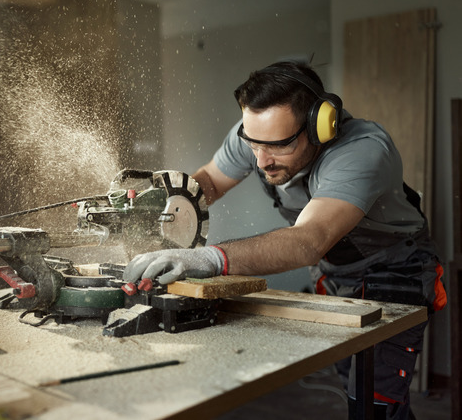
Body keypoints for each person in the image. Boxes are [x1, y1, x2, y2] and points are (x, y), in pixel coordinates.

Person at [123, 61, 447, 420]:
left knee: (374, 408)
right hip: (334, 270)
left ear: (319, 125)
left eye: (277, 146)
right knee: (353, 386)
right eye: (253, 143)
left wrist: (210, 259)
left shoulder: (363, 151)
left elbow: (309, 240)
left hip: (394, 269)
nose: (261, 160)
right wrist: (164, 208)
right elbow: (208, 184)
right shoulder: (256, 134)